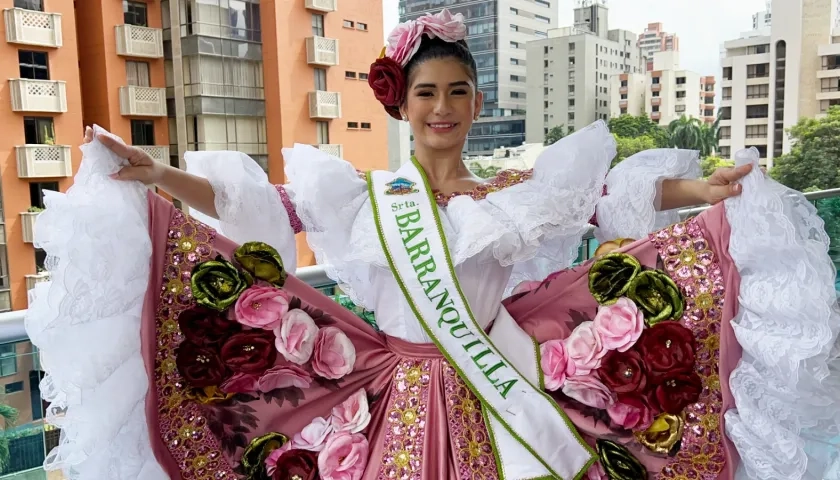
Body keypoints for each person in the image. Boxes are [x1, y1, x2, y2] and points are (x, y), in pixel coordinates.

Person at [25, 9, 839, 480]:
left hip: (501, 392)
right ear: (402, 106)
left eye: (456, 92)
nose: (441, 107)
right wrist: (164, 176)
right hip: (391, 398)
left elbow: (604, 202)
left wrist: (698, 193)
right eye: (426, 93)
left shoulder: (513, 195)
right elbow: (258, 205)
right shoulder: (364, 197)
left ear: (476, 101)